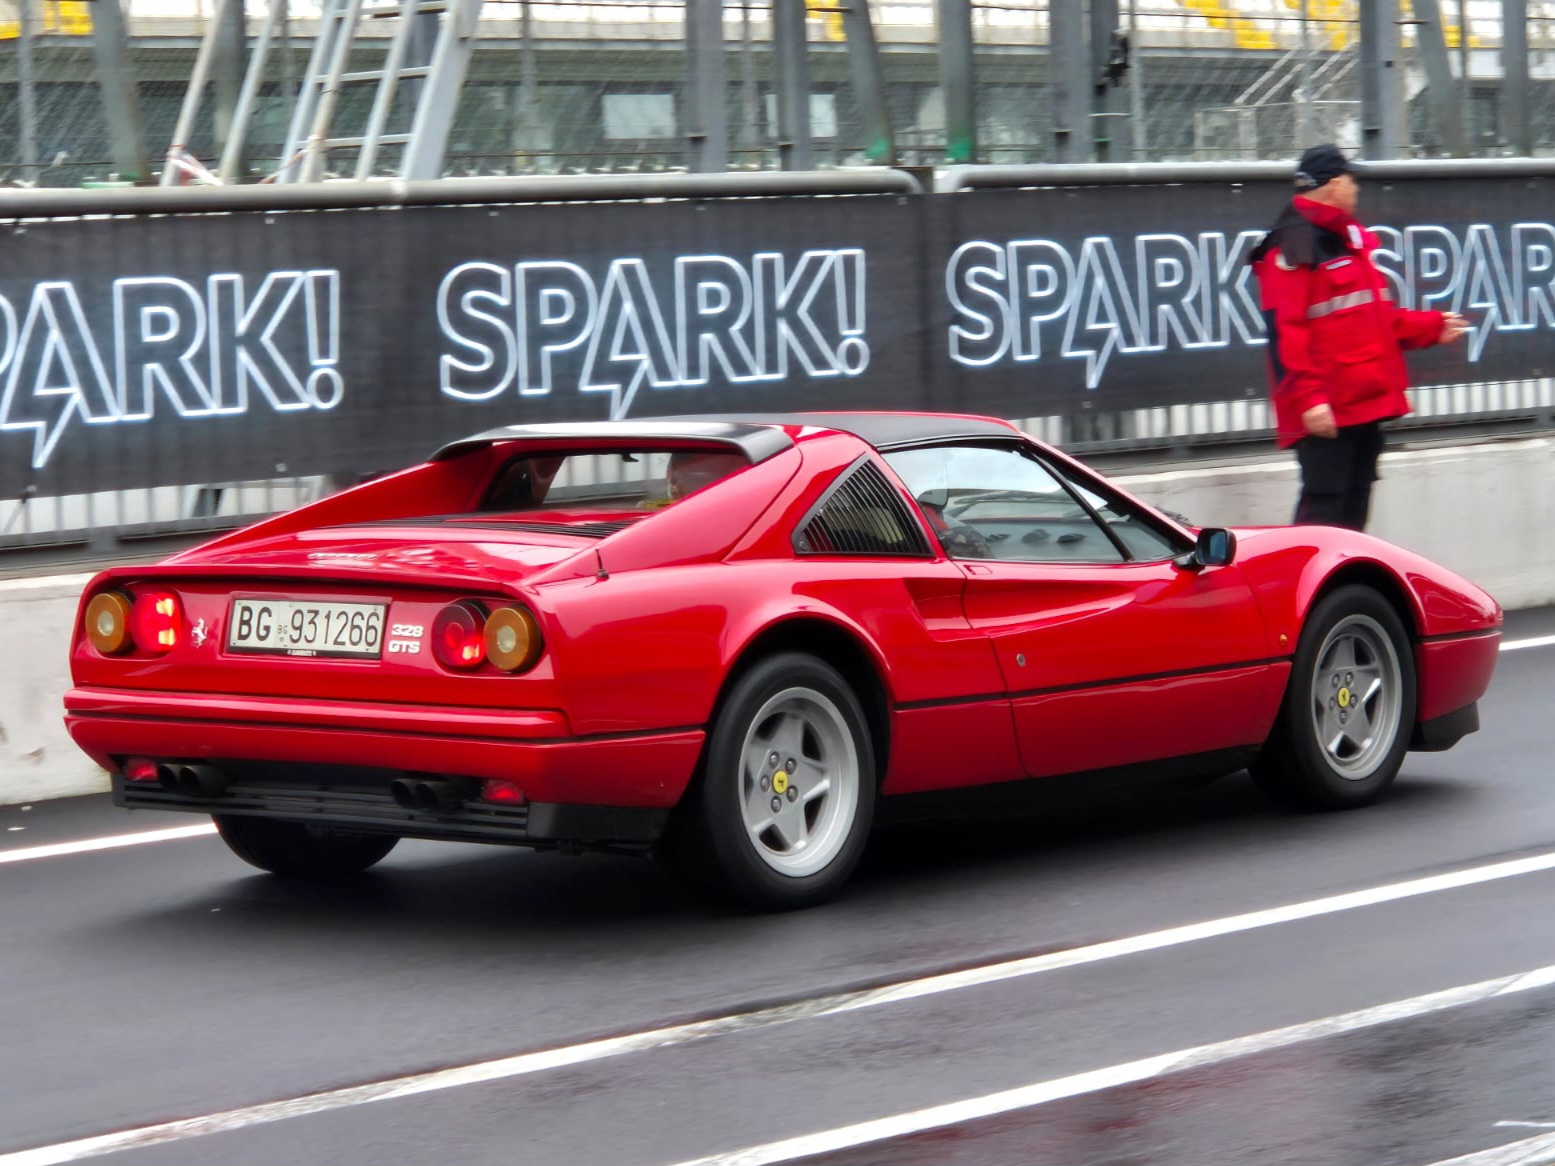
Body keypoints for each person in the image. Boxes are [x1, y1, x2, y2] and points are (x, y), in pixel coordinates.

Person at [1249, 143, 1470, 530]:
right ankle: (1313, 590)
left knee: (1353, 515)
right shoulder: (1292, 244)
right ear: (1334, 185)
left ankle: (1347, 587)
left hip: (1361, 403)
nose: (1356, 189)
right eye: (1351, 180)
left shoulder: (1348, 241)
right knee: (1323, 517)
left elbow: (1375, 320)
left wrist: (1432, 327)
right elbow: (1286, 334)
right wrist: (1311, 401)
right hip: (1328, 409)